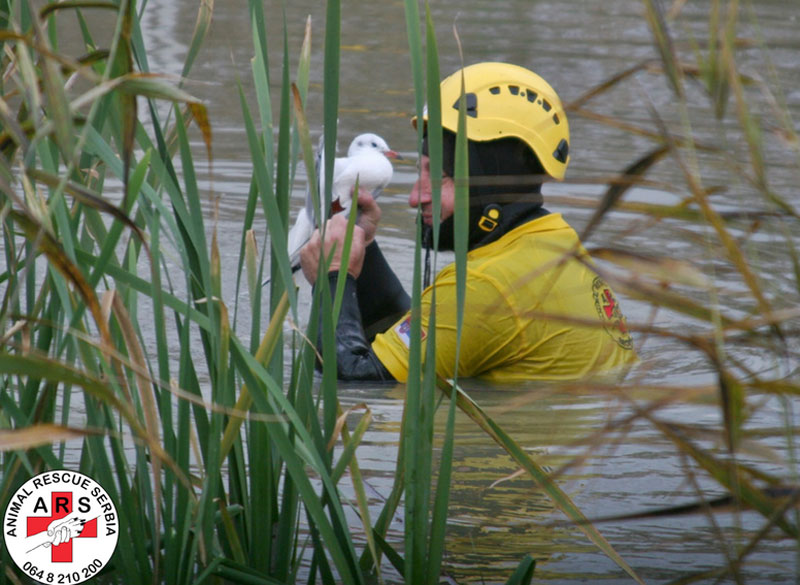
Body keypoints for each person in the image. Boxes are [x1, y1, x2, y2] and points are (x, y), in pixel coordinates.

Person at [300, 62, 636, 382]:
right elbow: (428, 333)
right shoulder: (554, 243)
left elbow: (352, 383)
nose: (415, 198)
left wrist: (332, 280)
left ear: (490, 180)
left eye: (441, 177)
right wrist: (362, 251)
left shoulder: (487, 287)